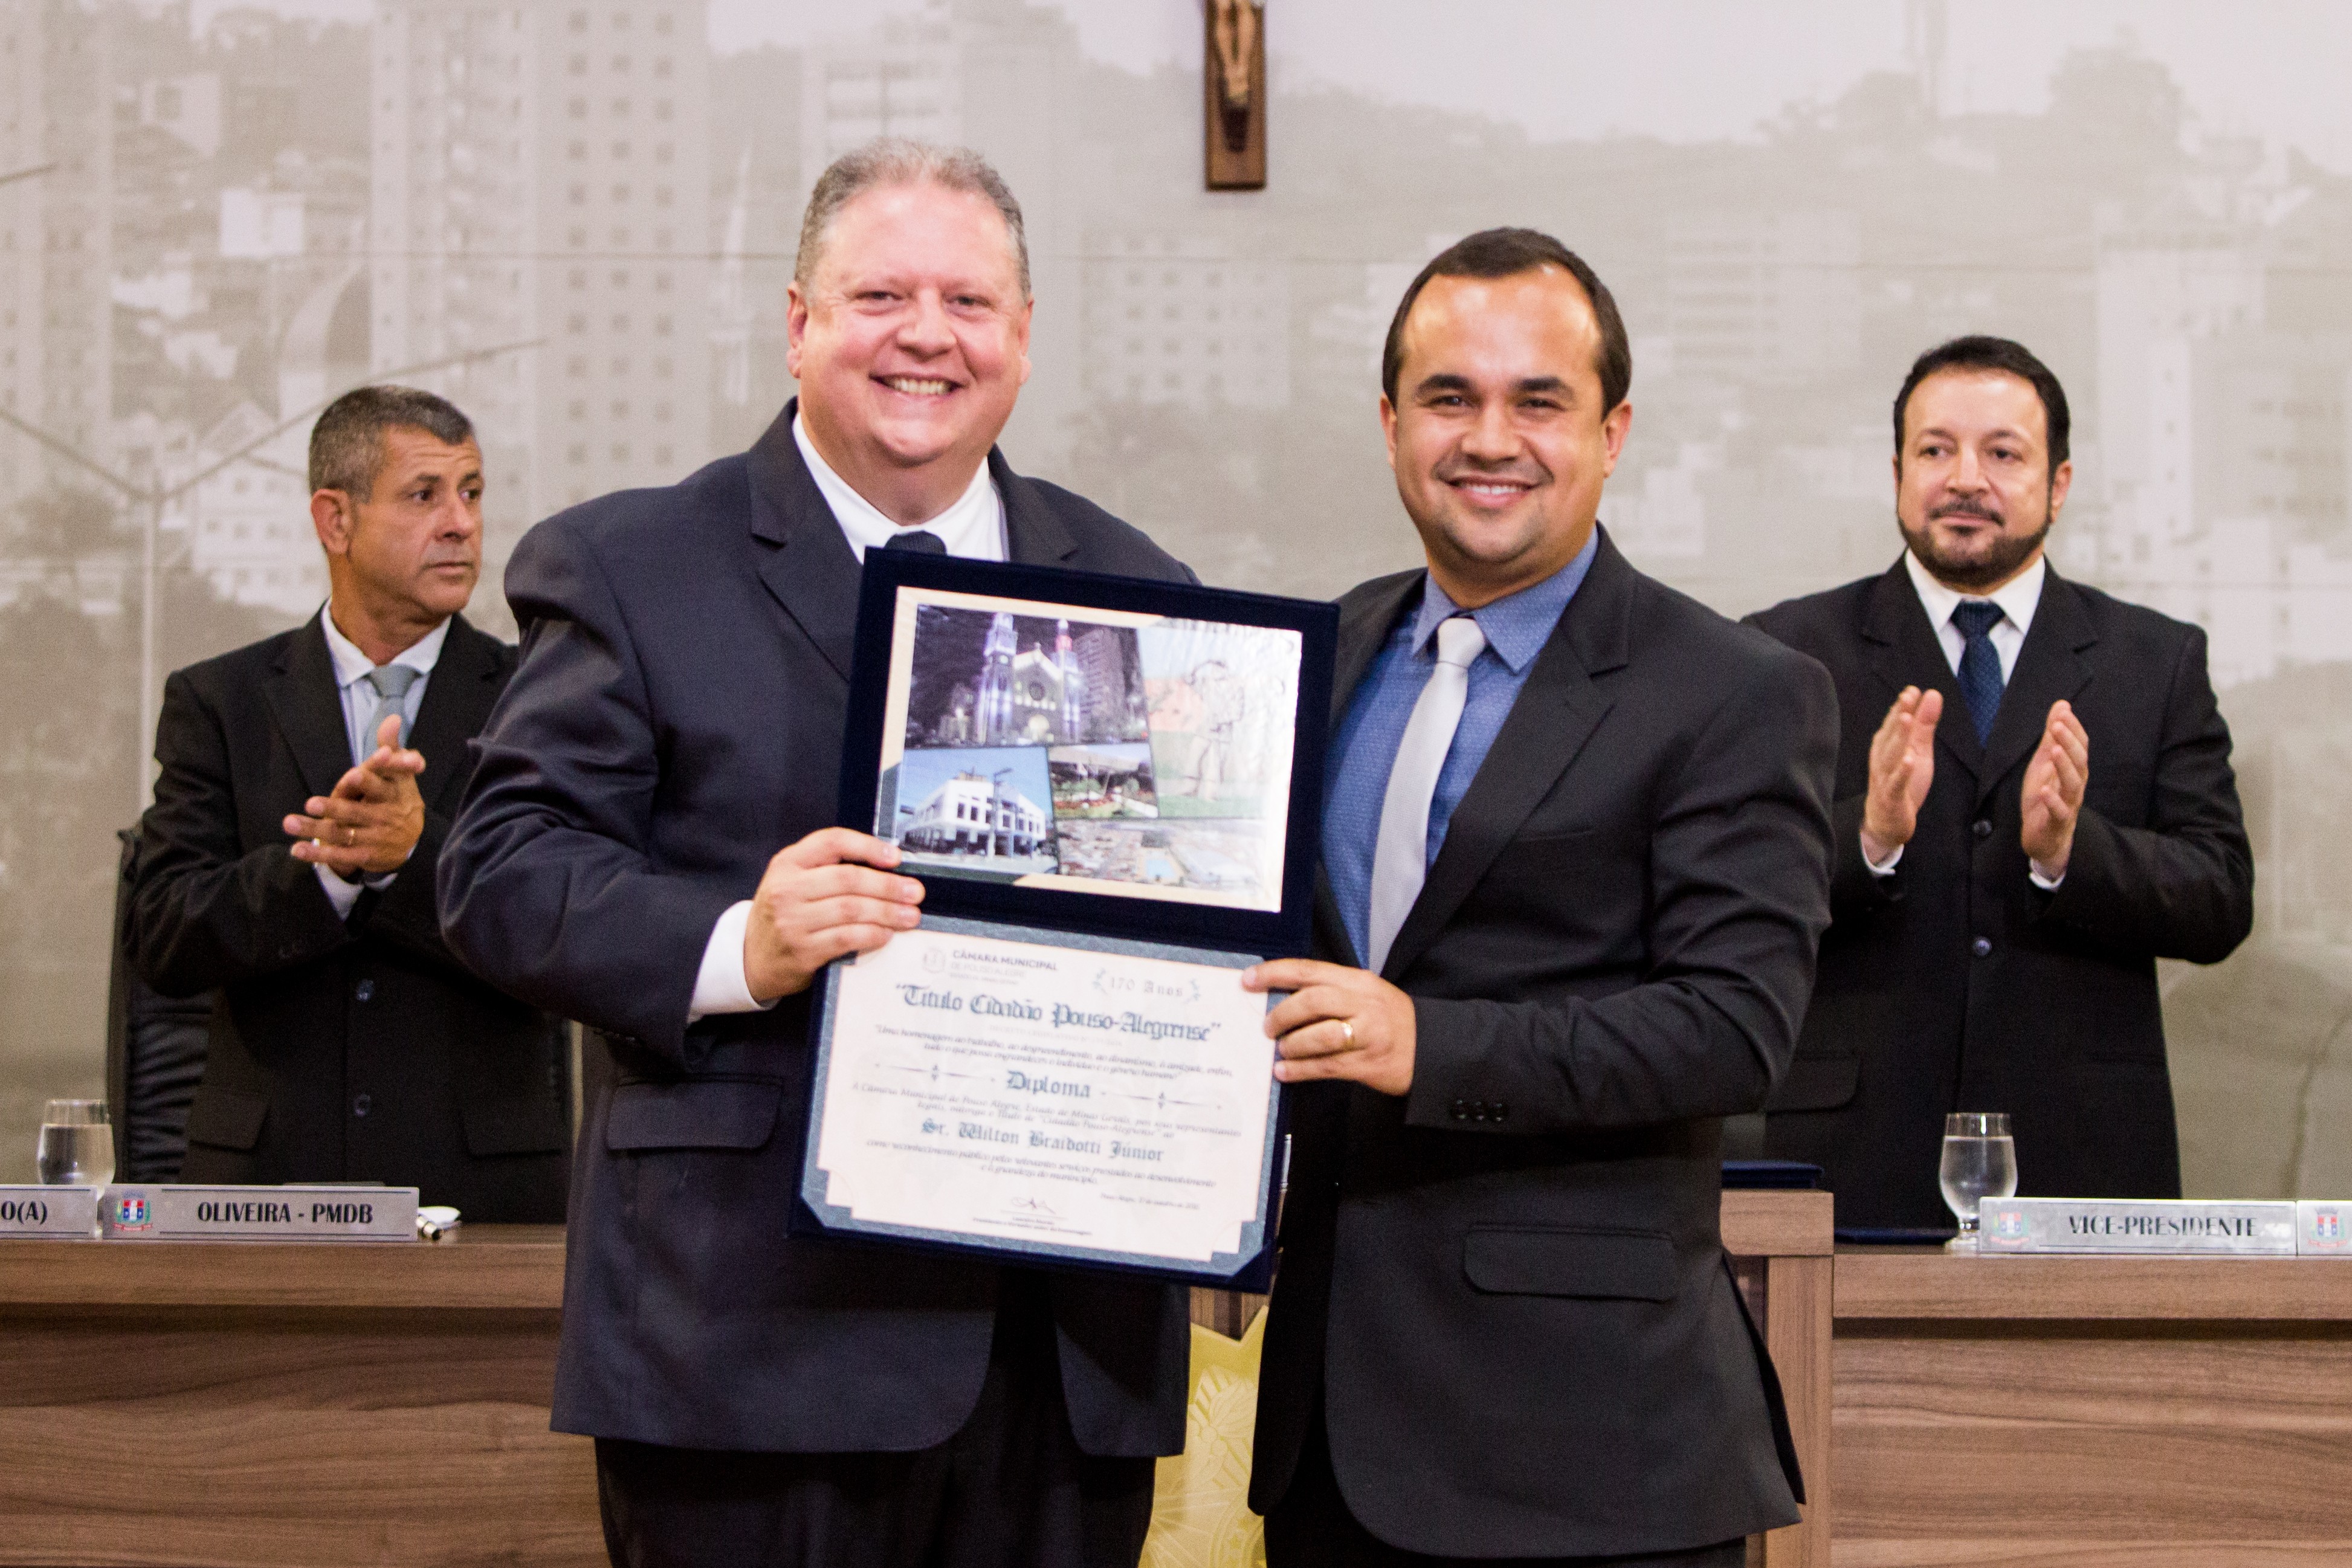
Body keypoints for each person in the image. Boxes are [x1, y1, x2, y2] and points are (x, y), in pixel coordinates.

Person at [438, 139, 1197, 1568]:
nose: (926, 334)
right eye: (879, 295)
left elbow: (1164, 918)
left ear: (1023, 337)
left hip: (1057, 1356)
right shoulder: (629, 565)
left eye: (969, 302)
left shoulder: (1138, 587)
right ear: (798, 323)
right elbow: (499, 872)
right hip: (746, 1344)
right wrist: (741, 941)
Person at [1242, 228, 1835, 1566]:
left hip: (1591, 1453)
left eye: (1537, 401)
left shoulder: (1735, 690)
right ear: (1390, 424)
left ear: (1613, 431)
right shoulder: (1313, 653)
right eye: (1447, 397)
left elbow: (1733, 1025)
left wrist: (1423, 1043)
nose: (1486, 437)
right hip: (1330, 1446)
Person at [1747, 335, 2254, 1230]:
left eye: (2003, 453)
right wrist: (1871, 839)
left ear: (2058, 483)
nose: (1965, 479)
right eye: (1936, 450)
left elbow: (2219, 899)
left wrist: (2070, 854)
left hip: (2087, 1155)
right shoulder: (1789, 655)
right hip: (1848, 1154)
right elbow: (1735, 886)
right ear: (1897, 471)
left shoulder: (2156, 660)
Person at [127, 386, 569, 1221]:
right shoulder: (222, 702)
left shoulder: (538, 697)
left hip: (484, 1199)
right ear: (335, 520)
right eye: (423, 495)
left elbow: (565, 922)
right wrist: (325, 873)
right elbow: (160, 930)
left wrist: (415, 856)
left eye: (471, 493)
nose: (461, 524)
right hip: (260, 1195)